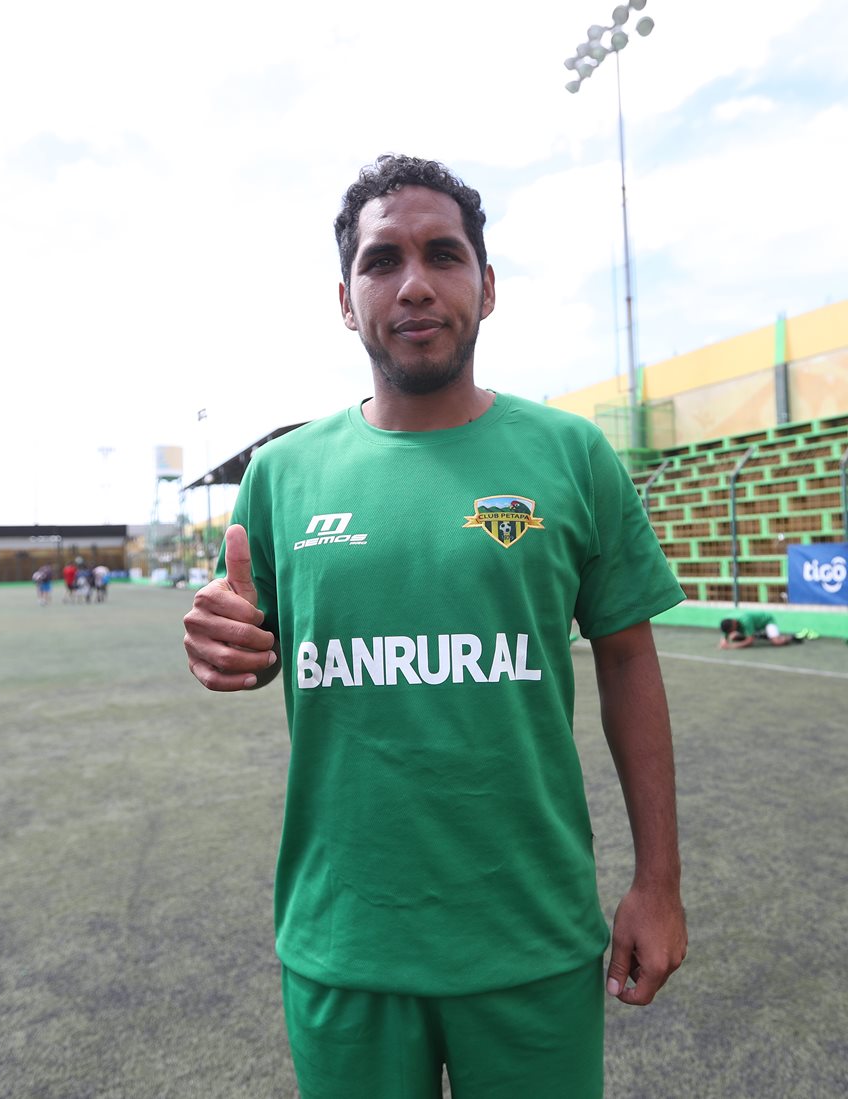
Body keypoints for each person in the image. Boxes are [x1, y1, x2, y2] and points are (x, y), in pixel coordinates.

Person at [182, 155, 688, 1099]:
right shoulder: (281, 476)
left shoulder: (571, 454)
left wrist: (657, 881)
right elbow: (248, 638)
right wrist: (227, 648)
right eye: (382, 262)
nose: (413, 283)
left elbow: (628, 660)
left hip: (530, 937)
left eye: (443, 255)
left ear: (486, 286)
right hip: (346, 942)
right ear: (346, 299)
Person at [718, 612, 815, 648]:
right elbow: (725, 637)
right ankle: (762, 635)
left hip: (767, 621)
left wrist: (732, 646)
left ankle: (792, 637)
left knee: (776, 642)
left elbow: (749, 641)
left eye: (732, 630)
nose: (730, 632)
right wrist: (724, 641)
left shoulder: (745, 620)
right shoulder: (726, 622)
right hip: (754, 625)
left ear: (734, 623)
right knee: (735, 636)